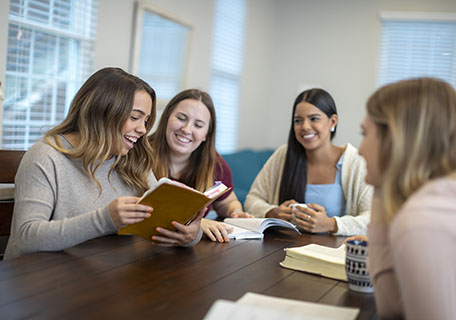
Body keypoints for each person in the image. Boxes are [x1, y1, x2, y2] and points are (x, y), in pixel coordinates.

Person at [4, 67, 203, 260]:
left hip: (105, 276)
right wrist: (105, 220)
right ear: (103, 111)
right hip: (42, 280)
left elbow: (163, 223)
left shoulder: (134, 160)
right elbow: (26, 238)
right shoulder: (46, 156)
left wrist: (191, 235)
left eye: (146, 120)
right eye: (135, 117)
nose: (143, 129)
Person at [358, 77, 456, 319]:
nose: (359, 149)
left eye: (365, 133)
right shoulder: (431, 202)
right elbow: (393, 307)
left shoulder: (422, 220)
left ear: (393, 137)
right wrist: (382, 187)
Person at [245, 88, 372, 235]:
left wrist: (332, 224)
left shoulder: (355, 161)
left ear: (333, 121)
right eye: (298, 120)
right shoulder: (283, 155)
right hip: (284, 247)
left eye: (314, 119)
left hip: (332, 251)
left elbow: (374, 219)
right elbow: (252, 200)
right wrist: (272, 212)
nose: (305, 127)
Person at [149, 89, 252, 243]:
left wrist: (236, 212)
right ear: (167, 118)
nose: (186, 130)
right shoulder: (140, 154)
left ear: (206, 135)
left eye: (198, 125)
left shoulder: (215, 165)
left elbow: (227, 202)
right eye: (181, 118)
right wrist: (199, 223)